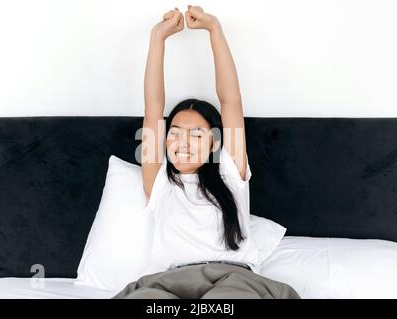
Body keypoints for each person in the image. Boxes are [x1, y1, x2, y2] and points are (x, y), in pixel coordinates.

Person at [113, 5, 300, 299]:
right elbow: (153, 110)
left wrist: (214, 30)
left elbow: (231, 102)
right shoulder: (160, 180)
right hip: (166, 283)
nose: (182, 143)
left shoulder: (229, 170)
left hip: (232, 279)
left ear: (215, 142)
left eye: (196, 134)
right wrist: (157, 39)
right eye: (174, 134)